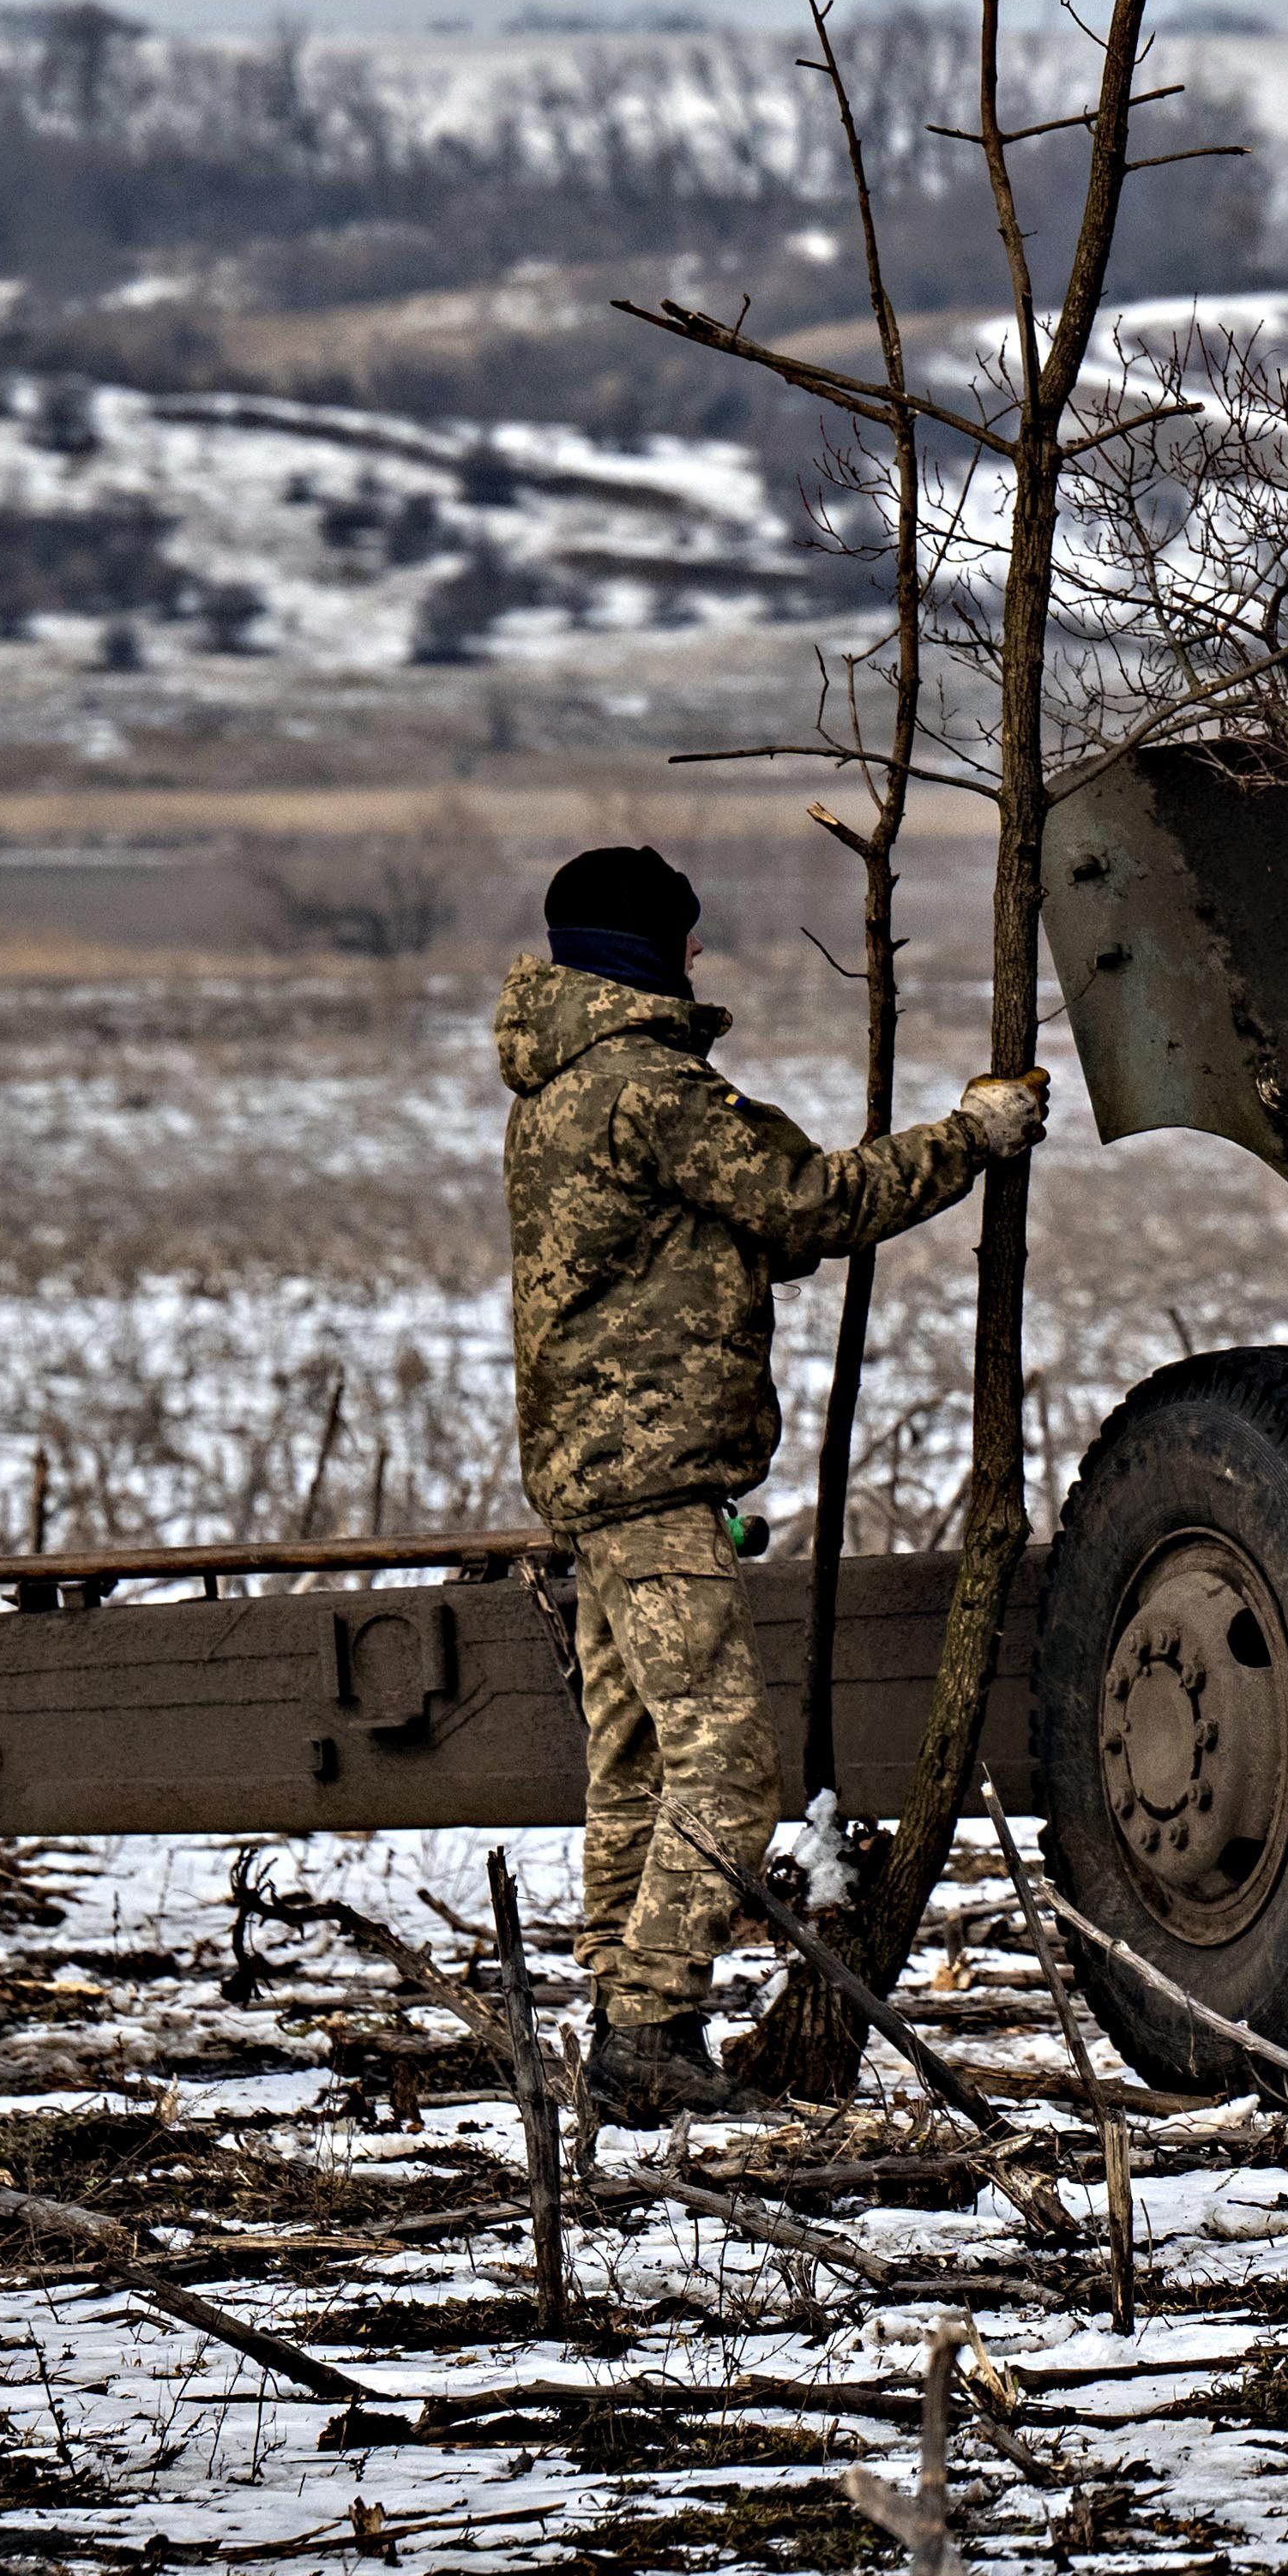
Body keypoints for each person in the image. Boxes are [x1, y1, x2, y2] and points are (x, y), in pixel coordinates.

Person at [498, 842, 1049, 2125]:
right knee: (728, 1767)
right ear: (651, 951)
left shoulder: (561, 1091)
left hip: (601, 1472)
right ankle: (647, 2025)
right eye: (685, 939)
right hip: (654, 1476)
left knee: (634, 1756)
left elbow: (690, 1242)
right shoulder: (647, 1089)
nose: (700, 958)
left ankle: (624, 2011)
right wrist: (975, 1135)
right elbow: (808, 1201)